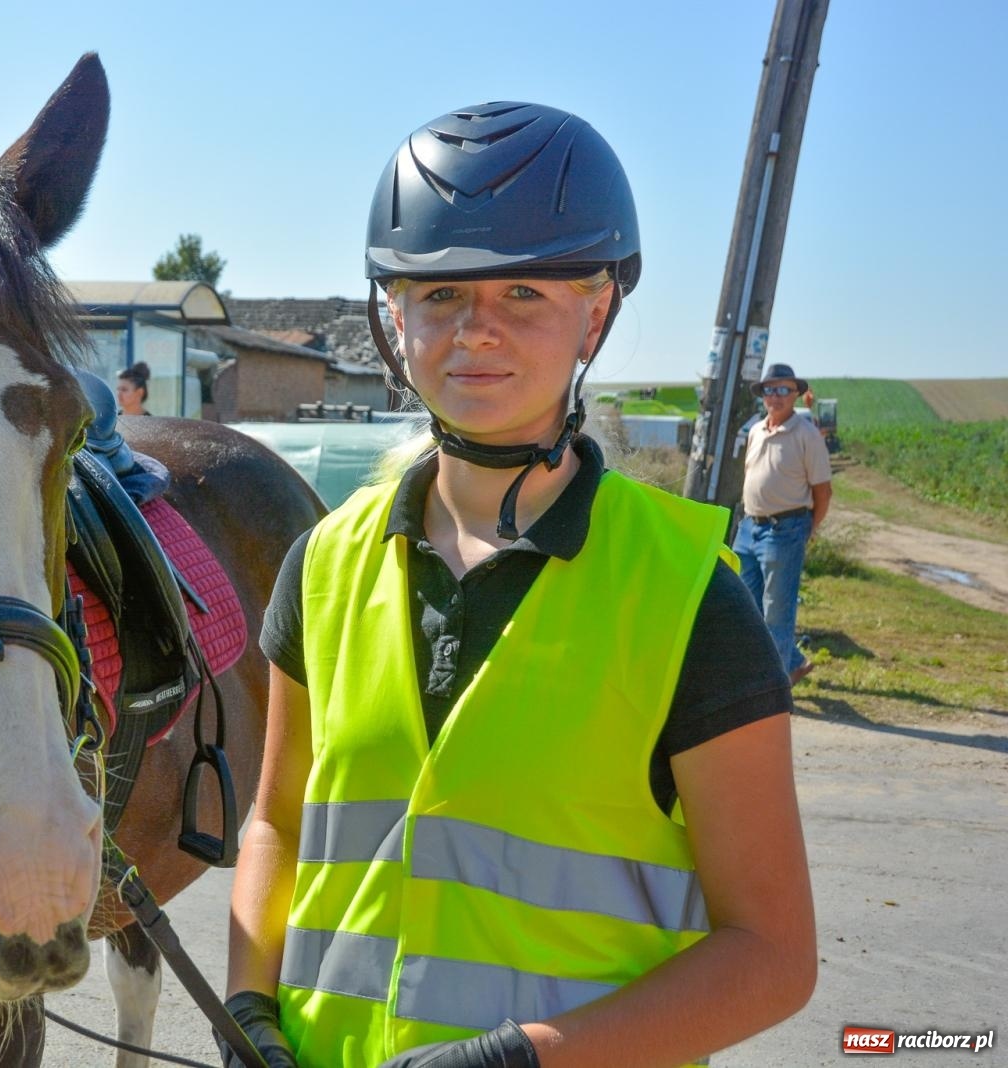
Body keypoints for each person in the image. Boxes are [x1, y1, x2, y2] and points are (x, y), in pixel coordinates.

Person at [221, 103, 815, 1068]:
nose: (475, 333)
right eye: (440, 297)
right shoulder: (322, 566)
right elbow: (278, 823)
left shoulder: (687, 599)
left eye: (525, 294)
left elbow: (773, 955)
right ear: (394, 316)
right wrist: (249, 1005)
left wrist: (521, 1059)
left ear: (596, 311)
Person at [733, 364, 833, 686]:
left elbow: (823, 492)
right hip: (749, 528)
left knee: (777, 610)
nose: (776, 397)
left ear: (796, 394)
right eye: (770, 390)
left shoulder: (806, 435)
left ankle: (771, 689)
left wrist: (808, 530)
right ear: (763, 395)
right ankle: (791, 663)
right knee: (746, 603)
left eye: (783, 390)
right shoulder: (756, 431)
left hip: (784, 530)